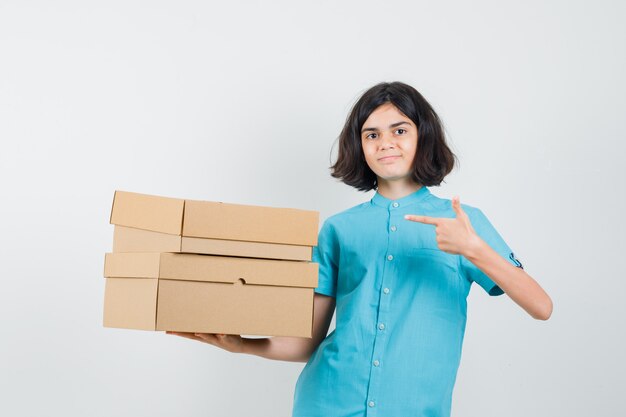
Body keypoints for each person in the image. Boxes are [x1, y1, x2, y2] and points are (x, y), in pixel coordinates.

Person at [168, 81, 553, 417]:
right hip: (327, 403)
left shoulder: (463, 223)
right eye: (371, 134)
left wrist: (474, 249)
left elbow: (541, 306)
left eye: (399, 130)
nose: (385, 142)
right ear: (360, 146)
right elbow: (306, 342)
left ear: (424, 136)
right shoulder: (338, 229)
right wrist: (240, 345)